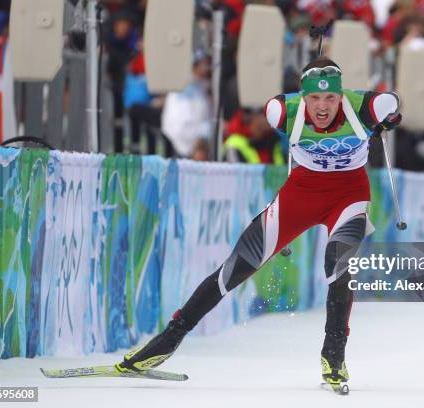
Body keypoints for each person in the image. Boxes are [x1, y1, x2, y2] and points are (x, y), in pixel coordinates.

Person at [117, 58, 402, 390]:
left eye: (331, 98)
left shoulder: (367, 106)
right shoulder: (281, 112)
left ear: (342, 96)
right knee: (235, 269)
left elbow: (395, 103)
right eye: (314, 99)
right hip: (301, 194)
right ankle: (167, 341)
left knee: (337, 264)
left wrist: (391, 118)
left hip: (349, 195)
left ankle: (334, 356)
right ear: (302, 97)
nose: (322, 107)